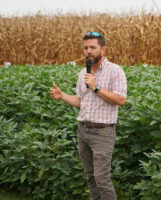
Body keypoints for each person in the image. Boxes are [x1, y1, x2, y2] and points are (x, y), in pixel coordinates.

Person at [50, 31, 127, 200]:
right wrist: (62, 95)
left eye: (93, 47)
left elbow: (121, 100)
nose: (88, 51)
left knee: (102, 178)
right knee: (91, 176)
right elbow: (80, 101)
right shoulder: (82, 73)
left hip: (103, 132)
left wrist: (96, 87)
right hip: (83, 131)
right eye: (85, 48)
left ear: (103, 49)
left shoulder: (115, 71)